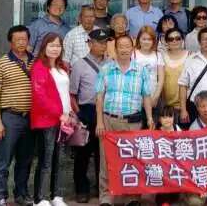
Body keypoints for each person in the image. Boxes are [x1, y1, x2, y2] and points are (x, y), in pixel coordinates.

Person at [95, 35, 155, 206]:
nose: (124, 49)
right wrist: (99, 122)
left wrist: (150, 118)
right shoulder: (106, 69)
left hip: (132, 122)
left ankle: (132, 198)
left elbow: (146, 96)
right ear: (115, 49)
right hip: (109, 119)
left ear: (132, 48)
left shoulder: (141, 70)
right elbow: (99, 97)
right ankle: (106, 198)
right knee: (106, 160)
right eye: (120, 46)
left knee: (132, 159)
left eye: (127, 46)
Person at [0, 25, 36, 206]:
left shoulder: (35, 61)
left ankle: (21, 194)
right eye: (17, 40)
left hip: (31, 117)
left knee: (25, 159)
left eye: (24, 39)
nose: (21, 43)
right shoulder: (0, 63)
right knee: (4, 160)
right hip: (10, 117)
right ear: (10, 42)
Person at [69, 28, 111, 203]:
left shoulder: (111, 63)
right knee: (83, 154)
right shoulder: (79, 65)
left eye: (105, 42)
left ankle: (102, 189)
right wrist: (78, 116)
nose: (103, 46)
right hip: (87, 111)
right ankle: (81, 189)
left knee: (104, 154)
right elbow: (72, 94)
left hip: (107, 111)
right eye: (99, 43)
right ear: (90, 44)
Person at [30, 33, 72, 206]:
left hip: (63, 120)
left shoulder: (62, 67)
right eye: (51, 45)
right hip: (46, 120)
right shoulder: (39, 67)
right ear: (44, 47)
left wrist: (68, 114)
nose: (55, 49)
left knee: (58, 159)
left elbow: (65, 94)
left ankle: (56, 196)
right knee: (46, 160)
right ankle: (40, 198)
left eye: (58, 46)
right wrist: (59, 113)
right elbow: (40, 96)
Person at [155, 106, 182, 206]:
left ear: (174, 118)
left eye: (170, 116)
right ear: (159, 119)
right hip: (160, 165)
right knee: (163, 194)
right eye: (164, 117)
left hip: (175, 164)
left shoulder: (177, 129)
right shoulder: (155, 131)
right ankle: (164, 201)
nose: (167, 119)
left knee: (175, 195)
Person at [133, 26, 165, 109]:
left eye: (149, 39)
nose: (146, 42)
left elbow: (161, 79)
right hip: (135, 97)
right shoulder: (133, 54)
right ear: (139, 39)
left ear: (153, 41)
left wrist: (155, 97)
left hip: (153, 95)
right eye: (144, 39)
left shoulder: (158, 55)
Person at [159, 28, 188, 115]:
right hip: (166, 107)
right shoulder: (161, 57)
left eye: (178, 38)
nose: (174, 41)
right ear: (166, 42)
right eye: (171, 39)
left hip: (185, 106)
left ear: (182, 40)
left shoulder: (190, 56)